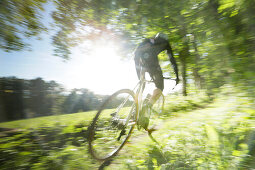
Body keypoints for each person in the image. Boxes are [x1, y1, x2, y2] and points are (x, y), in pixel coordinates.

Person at [134, 33, 179, 130]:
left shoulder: (148, 40)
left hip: (140, 59)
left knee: (142, 83)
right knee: (159, 88)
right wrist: (177, 75)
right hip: (152, 64)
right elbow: (172, 59)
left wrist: (139, 74)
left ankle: (135, 110)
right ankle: (146, 108)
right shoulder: (166, 43)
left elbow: (137, 53)